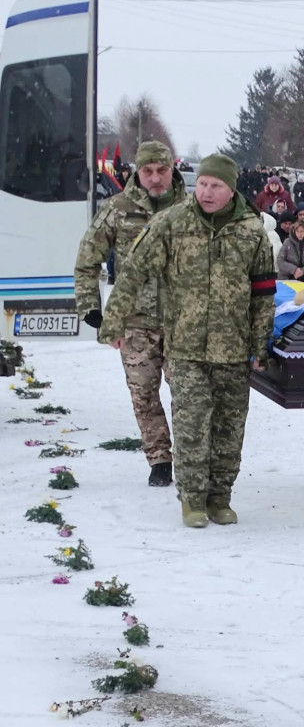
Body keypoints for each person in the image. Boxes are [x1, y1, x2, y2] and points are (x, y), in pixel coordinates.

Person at [96, 154, 276, 527]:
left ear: (231, 191)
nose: (207, 192)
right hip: (186, 346)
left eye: (216, 186)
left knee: (229, 429)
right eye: (203, 184)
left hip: (232, 347)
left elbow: (262, 293)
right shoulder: (172, 223)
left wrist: (261, 344)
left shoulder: (251, 230)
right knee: (192, 424)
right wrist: (113, 323)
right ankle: (192, 500)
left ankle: (220, 497)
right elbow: (132, 271)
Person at [74, 140, 187, 487]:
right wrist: (91, 306)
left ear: (173, 169)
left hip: (184, 320)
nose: (155, 178)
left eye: (162, 170)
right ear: (138, 172)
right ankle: (159, 459)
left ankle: (190, 456)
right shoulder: (117, 209)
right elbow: (87, 258)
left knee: (187, 392)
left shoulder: (191, 209)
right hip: (136, 321)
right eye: (148, 171)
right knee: (143, 394)